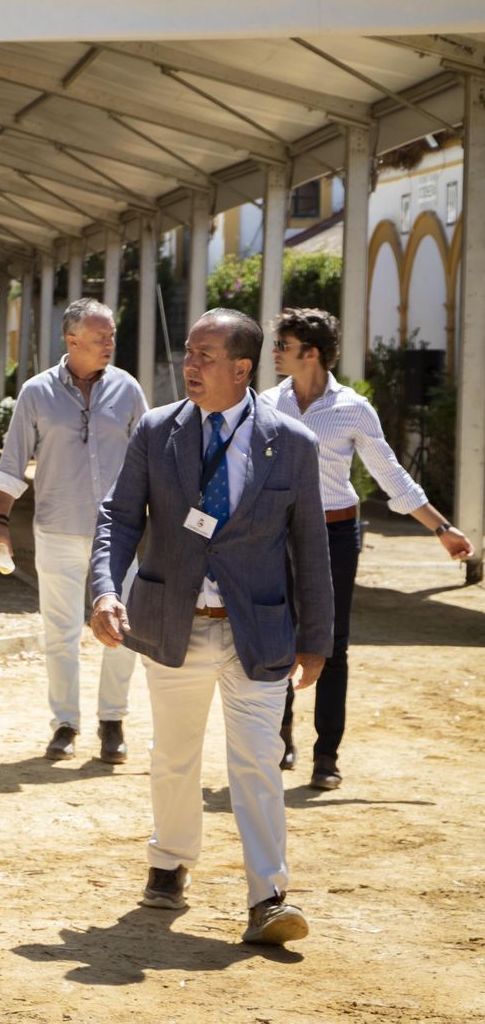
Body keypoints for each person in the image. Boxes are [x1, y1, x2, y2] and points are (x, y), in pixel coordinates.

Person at [89, 308, 332, 946]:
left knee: (258, 763)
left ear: (242, 368)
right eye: (189, 353)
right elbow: (119, 517)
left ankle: (269, 898)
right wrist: (106, 589)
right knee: (174, 755)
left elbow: (310, 546)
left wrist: (316, 639)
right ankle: (169, 863)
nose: (189, 366)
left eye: (204, 356)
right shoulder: (156, 430)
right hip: (174, 622)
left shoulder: (293, 443)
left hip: (259, 630)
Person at [262, 308, 474, 790]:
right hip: (280, 534)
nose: (274, 352)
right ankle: (279, 738)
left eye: (283, 345)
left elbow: (390, 474)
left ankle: (326, 756)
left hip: (336, 535)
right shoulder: (268, 404)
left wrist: (441, 528)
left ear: (311, 353)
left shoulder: (353, 408)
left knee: (332, 643)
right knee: (279, 636)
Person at [0, 299, 148, 763]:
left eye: (112, 335)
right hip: (57, 529)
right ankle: (65, 723)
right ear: (72, 340)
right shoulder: (36, 393)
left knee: (122, 628)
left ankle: (112, 720)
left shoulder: (128, 389)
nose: (110, 344)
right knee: (59, 632)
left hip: (119, 534)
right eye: (100, 338)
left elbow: (150, 458)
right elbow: (12, 464)